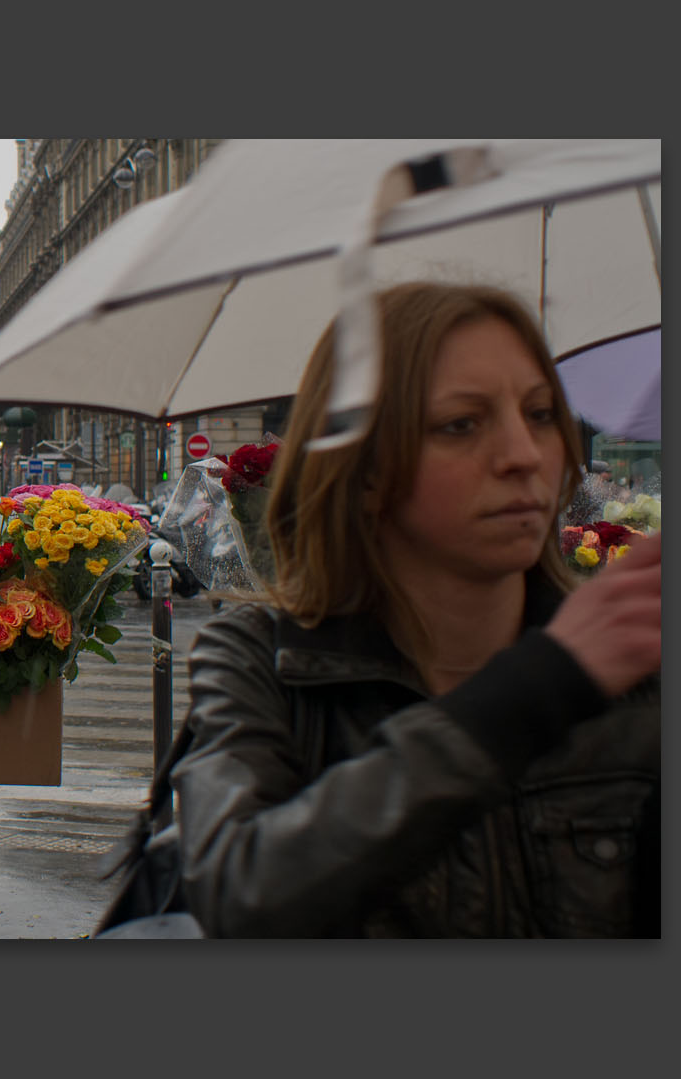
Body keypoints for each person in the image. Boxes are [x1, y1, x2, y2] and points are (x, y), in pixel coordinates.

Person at [174, 282, 660, 937]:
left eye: (542, 414)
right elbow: (242, 892)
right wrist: (536, 691)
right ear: (364, 470)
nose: (523, 456)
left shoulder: (639, 670)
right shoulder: (266, 663)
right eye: (461, 424)